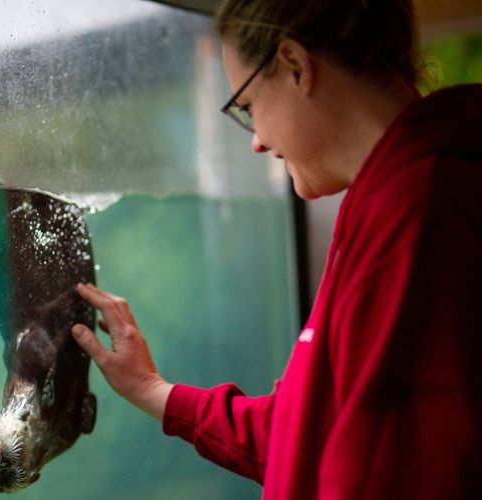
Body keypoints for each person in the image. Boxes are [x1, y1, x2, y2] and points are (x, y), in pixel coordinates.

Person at [71, 0, 482, 498]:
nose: (256, 142)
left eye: (246, 107)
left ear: (295, 66)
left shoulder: (420, 207)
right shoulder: (387, 199)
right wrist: (154, 390)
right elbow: (309, 433)